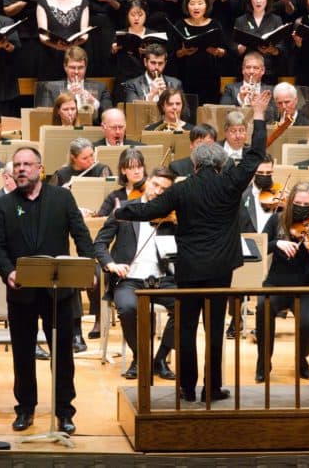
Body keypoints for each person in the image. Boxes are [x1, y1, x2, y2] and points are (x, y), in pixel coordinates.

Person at [116, 89, 269, 403]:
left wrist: (120, 210)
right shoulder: (230, 184)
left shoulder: (182, 190)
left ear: (195, 164)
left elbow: (147, 210)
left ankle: (186, 388)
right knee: (214, 330)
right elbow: (255, 155)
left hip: (188, 268)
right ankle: (212, 388)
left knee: (186, 329)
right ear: (220, 162)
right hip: (220, 269)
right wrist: (260, 115)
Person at [0, 145, 94, 433]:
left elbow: (81, 235)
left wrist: (90, 268)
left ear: (40, 168)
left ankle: (64, 411)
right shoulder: (3, 205)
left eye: (27, 164)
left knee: (62, 354)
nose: (21, 169)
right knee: (23, 354)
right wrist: (8, 271)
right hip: (21, 290)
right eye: (17, 165)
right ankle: (25, 408)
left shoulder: (62, 198)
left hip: (57, 291)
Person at [94, 167, 177, 380]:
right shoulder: (125, 210)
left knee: (186, 305)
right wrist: (111, 264)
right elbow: (100, 244)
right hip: (128, 280)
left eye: (164, 190)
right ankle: (140, 358)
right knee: (128, 308)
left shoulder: (172, 216)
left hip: (161, 279)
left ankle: (160, 358)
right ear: (147, 182)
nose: (158, 192)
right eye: (155, 185)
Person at [256, 182, 309, 382]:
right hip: (276, 284)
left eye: (306, 204)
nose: (301, 207)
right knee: (263, 307)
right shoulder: (276, 220)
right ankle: (263, 363)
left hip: (306, 287)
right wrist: (277, 243)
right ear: (290, 202)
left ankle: (301, 359)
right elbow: (260, 247)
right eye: (297, 202)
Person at [36, 0, 89, 81]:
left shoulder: (82, 0)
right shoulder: (43, 2)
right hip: (50, 56)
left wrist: (71, 47)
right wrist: (57, 46)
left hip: (76, 58)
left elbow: (85, 34)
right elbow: (42, 35)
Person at [36, 46, 113, 121]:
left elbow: (111, 117)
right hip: (62, 132)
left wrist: (94, 102)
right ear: (65, 67)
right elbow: (45, 118)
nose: (76, 72)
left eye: (80, 68)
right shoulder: (51, 88)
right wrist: (66, 96)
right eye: (72, 68)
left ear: (86, 67)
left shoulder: (101, 88)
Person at [96, 147, 146, 218]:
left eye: (140, 167)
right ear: (123, 170)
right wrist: (115, 214)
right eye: (131, 168)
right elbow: (100, 219)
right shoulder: (114, 197)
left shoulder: (151, 191)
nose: (137, 171)